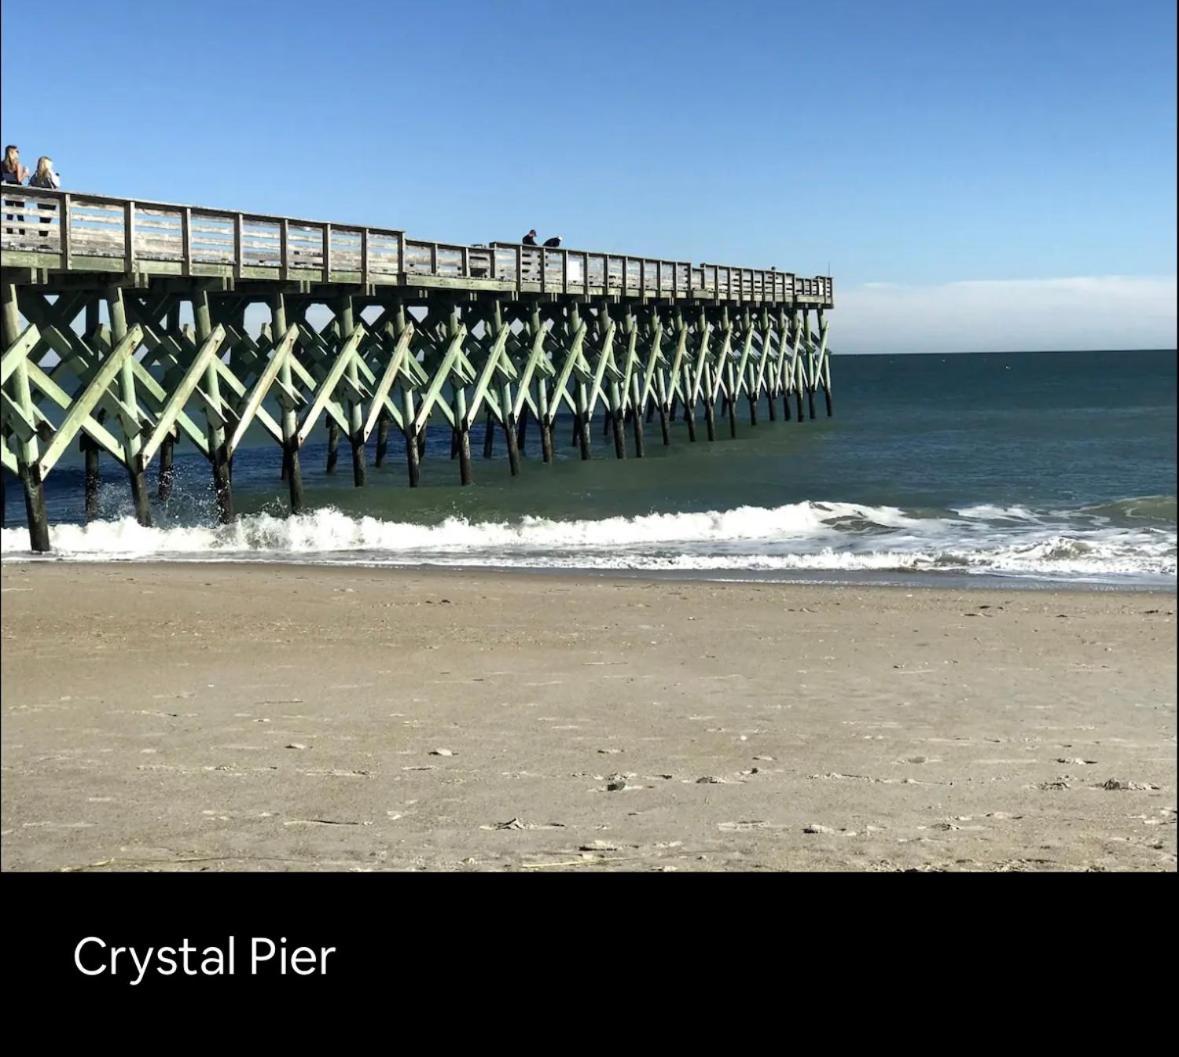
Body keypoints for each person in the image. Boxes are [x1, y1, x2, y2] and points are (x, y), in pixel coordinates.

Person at [28, 156, 61, 239]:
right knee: (47, 220)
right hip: (51, 199)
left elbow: (31, 183)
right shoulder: (49, 173)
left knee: (42, 219)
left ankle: (42, 239)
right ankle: (44, 240)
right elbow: (57, 184)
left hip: (40, 199)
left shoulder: (36, 174)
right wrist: (56, 176)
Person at [2, 145, 30, 237]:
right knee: (20, 214)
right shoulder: (17, 164)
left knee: (9, 215)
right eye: (17, 151)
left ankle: (9, 236)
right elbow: (19, 179)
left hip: (8, 190)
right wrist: (25, 173)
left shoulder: (2, 164)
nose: (18, 153)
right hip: (18, 192)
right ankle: (22, 236)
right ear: (12, 153)